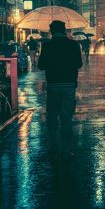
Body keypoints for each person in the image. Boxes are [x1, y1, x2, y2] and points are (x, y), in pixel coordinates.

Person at [38, 20, 82, 159]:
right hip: (69, 84)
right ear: (64, 30)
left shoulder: (47, 46)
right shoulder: (73, 45)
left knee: (52, 114)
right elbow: (79, 63)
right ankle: (67, 149)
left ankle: (53, 145)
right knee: (66, 116)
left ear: (51, 31)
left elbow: (41, 65)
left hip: (53, 85)